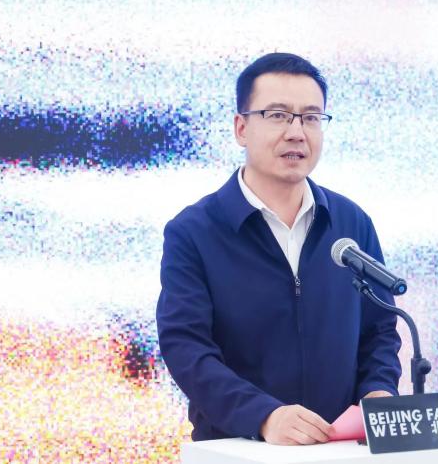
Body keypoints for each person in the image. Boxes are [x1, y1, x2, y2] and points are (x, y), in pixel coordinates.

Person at [156, 52, 401, 445]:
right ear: (241, 128)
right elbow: (186, 347)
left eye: (311, 117)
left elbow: (380, 329)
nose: (296, 132)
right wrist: (263, 416)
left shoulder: (351, 223)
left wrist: (378, 392)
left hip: (340, 449)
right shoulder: (194, 231)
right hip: (238, 448)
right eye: (278, 115)